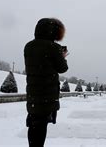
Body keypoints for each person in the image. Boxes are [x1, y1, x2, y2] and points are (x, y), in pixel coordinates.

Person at [24, 18, 69, 147]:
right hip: (47, 92)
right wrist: (62, 57)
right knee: (41, 125)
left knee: (34, 124)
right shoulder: (53, 47)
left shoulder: (29, 46)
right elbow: (62, 68)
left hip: (33, 92)